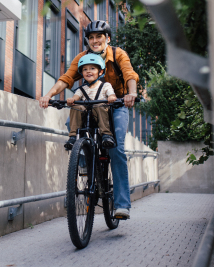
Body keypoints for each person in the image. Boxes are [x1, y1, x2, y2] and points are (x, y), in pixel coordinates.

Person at [39, 20, 139, 219]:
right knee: (71, 123)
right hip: (89, 104)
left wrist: (131, 94)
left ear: (107, 38)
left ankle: (121, 205)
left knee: (116, 148)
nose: (95, 41)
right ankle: (84, 159)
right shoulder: (83, 58)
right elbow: (67, 78)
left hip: (117, 104)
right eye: (91, 38)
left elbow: (129, 74)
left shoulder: (118, 54)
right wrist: (48, 95)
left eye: (99, 37)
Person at [66, 54, 117, 151]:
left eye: (92, 68)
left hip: (101, 114)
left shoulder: (105, 85)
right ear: (82, 72)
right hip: (86, 116)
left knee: (98, 105)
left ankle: (106, 135)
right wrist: (72, 100)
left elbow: (111, 94)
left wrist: (111, 97)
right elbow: (76, 97)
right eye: (85, 69)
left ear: (100, 71)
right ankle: (73, 136)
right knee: (77, 106)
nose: (88, 71)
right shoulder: (81, 89)